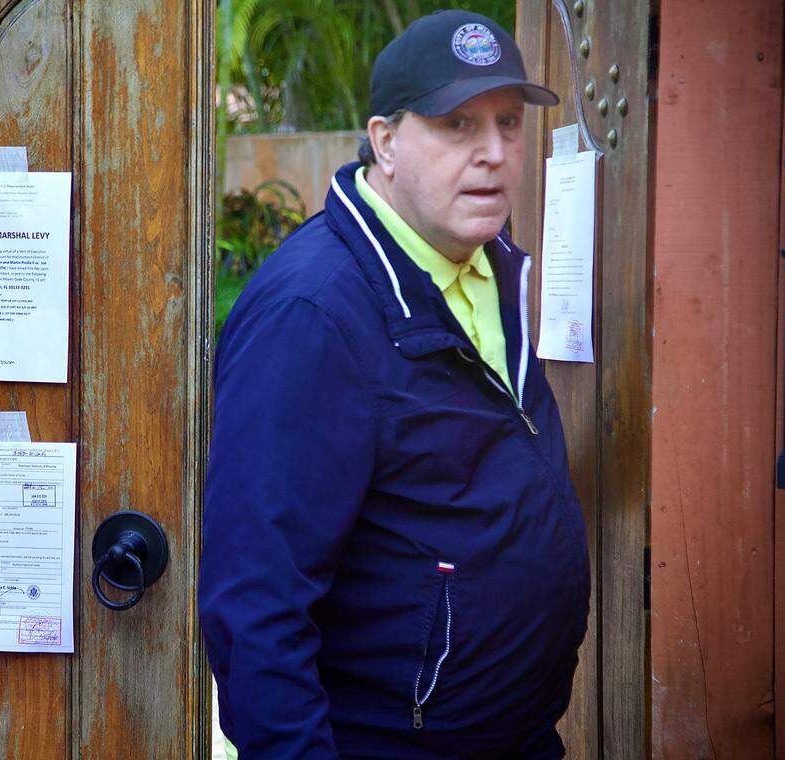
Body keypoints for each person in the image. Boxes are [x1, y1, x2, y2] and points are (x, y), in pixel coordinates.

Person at [199, 9, 590, 759]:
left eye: (508, 123)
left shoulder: (493, 263)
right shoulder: (312, 315)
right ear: (385, 141)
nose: (494, 154)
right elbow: (257, 608)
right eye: (456, 125)